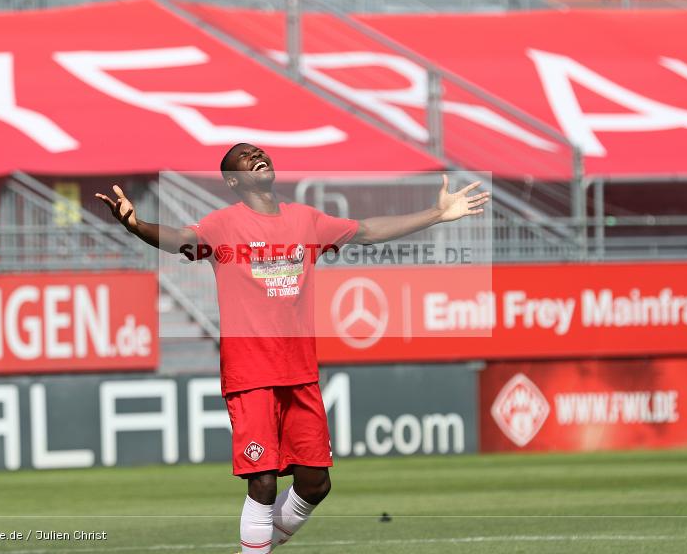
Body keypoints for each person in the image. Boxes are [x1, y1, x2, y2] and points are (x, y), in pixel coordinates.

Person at [96, 142, 490, 553]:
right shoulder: (222, 225)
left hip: (300, 372)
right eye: (244, 156)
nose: (255, 155)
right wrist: (136, 225)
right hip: (250, 373)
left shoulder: (307, 220)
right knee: (263, 482)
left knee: (316, 483)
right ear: (233, 180)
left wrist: (438, 214)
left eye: (258, 151)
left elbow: (369, 231)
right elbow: (179, 237)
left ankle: (257, 546)